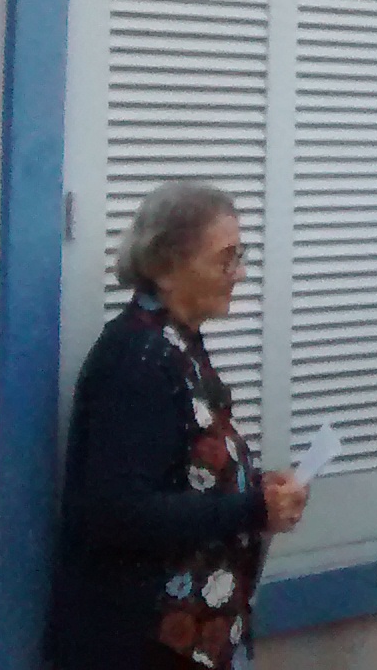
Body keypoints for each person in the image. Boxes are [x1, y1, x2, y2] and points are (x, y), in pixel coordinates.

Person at [49, 182, 308, 669]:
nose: (239, 274)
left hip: (190, 637)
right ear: (165, 267)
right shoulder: (138, 358)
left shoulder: (178, 345)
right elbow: (120, 510)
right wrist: (252, 508)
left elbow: (187, 475)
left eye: (240, 257)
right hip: (143, 641)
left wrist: (256, 488)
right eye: (225, 260)